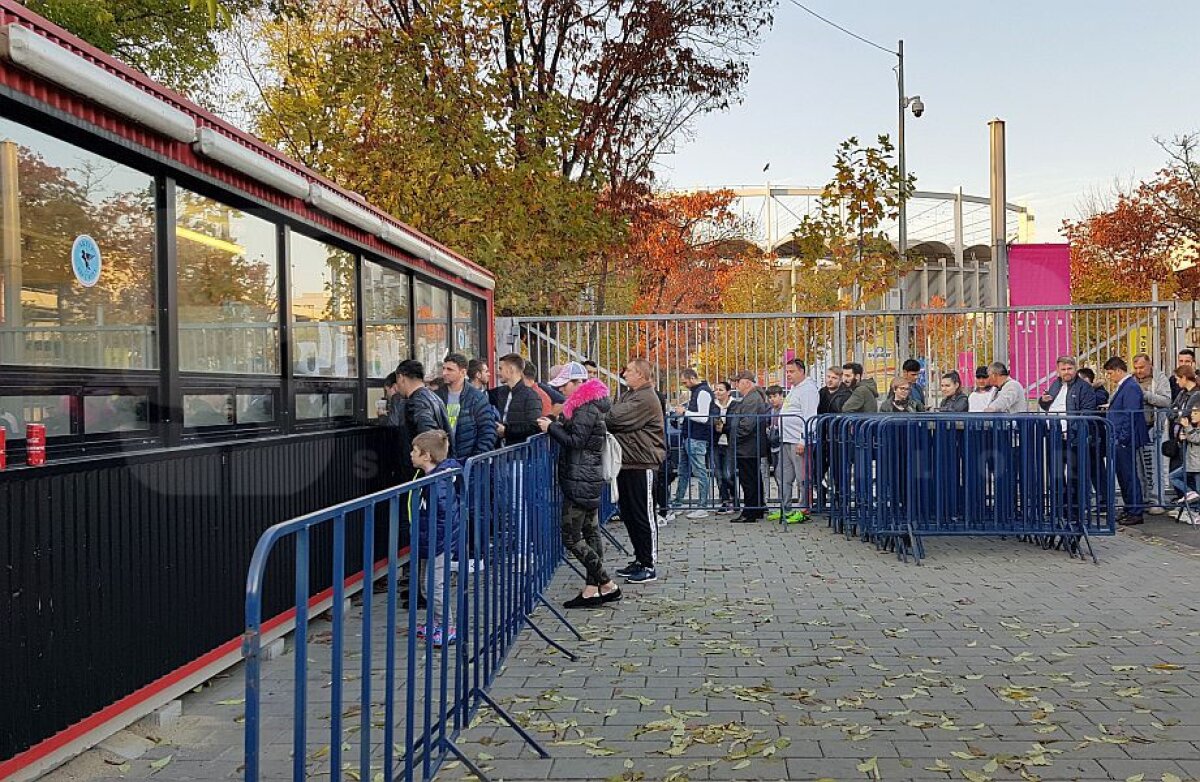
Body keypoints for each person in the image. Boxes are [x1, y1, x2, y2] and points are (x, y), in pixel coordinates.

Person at [538, 363, 622, 606]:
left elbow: (576, 441)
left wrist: (551, 427)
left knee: (572, 537)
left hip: (580, 477)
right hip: (586, 475)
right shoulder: (589, 405)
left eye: (564, 385)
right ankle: (592, 588)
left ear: (577, 384)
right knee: (590, 531)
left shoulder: (585, 408)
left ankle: (606, 584)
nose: (561, 390)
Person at [606, 358, 667, 584]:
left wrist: (611, 415)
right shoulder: (631, 394)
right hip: (628, 462)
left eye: (629, 371)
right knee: (630, 515)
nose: (625, 373)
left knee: (643, 515)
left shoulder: (645, 397)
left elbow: (614, 417)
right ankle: (640, 559)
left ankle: (649, 564)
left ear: (641, 374)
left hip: (643, 463)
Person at [409, 430, 461, 648]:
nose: (411, 454)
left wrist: (436, 544)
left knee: (434, 585)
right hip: (428, 540)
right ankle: (436, 623)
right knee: (425, 585)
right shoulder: (431, 478)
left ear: (427, 456)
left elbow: (442, 518)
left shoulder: (438, 484)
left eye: (415, 451)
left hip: (436, 543)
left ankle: (447, 626)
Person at [773, 359, 819, 524]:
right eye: (787, 372)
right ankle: (784, 508)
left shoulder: (808, 390)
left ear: (802, 371)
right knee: (782, 475)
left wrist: (803, 440)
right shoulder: (795, 388)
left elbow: (809, 416)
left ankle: (804, 509)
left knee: (802, 477)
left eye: (791, 372)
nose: (788, 375)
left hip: (798, 441)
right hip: (786, 439)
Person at [394, 359, 453, 481]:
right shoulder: (434, 397)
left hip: (420, 474)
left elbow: (429, 437)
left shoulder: (416, 403)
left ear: (401, 378)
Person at [1105, 356, 1147, 526]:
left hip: (1125, 439)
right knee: (1123, 476)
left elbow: (1130, 415)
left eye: (1110, 373)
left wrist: (1122, 438)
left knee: (1129, 476)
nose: (1109, 377)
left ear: (1118, 370)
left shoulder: (1130, 387)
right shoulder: (1126, 386)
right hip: (1121, 438)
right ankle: (1130, 508)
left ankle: (1135, 510)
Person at [438, 353, 498, 461]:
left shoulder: (476, 398)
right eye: (443, 369)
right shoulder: (437, 396)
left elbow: (488, 431)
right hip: (442, 462)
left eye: (450, 370)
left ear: (463, 372)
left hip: (467, 462)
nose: (444, 373)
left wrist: (474, 460)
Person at [671, 369, 714, 518]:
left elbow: (703, 417)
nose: (684, 385)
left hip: (697, 437)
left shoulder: (703, 392)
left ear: (693, 378)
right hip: (690, 436)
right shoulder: (697, 392)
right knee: (683, 471)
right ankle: (678, 503)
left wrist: (685, 412)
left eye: (685, 382)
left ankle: (702, 506)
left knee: (700, 471)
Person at [1132, 353, 1171, 515]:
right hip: (1136, 428)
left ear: (1150, 365)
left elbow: (1166, 401)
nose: (1139, 371)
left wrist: (1146, 395)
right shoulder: (1131, 379)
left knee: (1154, 467)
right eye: (1136, 368)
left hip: (1153, 427)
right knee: (1139, 467)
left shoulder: (1160, 379)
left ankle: (1157, 501)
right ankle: (1145, 499)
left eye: (1141, 367)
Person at [731, 371, 770, 523]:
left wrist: (735, 436)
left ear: (747, 382)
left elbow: (747, 424)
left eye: (738, 382)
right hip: (749, 445)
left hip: (747, 446)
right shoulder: (752, 397)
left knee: (748, 479)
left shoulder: (752, 399)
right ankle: (756, 508)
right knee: (753, 478)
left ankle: (750, 511)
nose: (736, 385)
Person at [1168, 366, 1200, 511]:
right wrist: (1178, 414)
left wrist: (1180, 414)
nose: (1175, 382)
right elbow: (1171, 412)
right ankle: (1190, 503)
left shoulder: (1196, 394)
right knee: (1180, 472)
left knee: (1192, 474)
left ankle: (1194, 507)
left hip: (1190, 438)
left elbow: (1185, 415)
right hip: (1182, 437)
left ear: (1184, 377)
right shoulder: (1182, 393)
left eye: (1177, 378)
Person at [494, 353, 542, 446]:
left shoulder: (531, 396)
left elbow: (534, 426)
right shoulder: (499, 393)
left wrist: (506, 430)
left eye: (500, 368)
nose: (498, 372)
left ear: (511, 369)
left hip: (520, 454)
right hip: (501, 452)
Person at [711, 380, 737, 513]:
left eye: (720, 390)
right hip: (716, 443)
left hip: (729, 444)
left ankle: (733, 500)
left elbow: (735, 424)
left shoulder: (735, 405)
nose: (717, 392)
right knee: (718, 474)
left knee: (728, 473)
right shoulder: (713, 406)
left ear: (728, 392)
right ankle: (724, 501)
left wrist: (724, 428)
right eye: (716, 389)